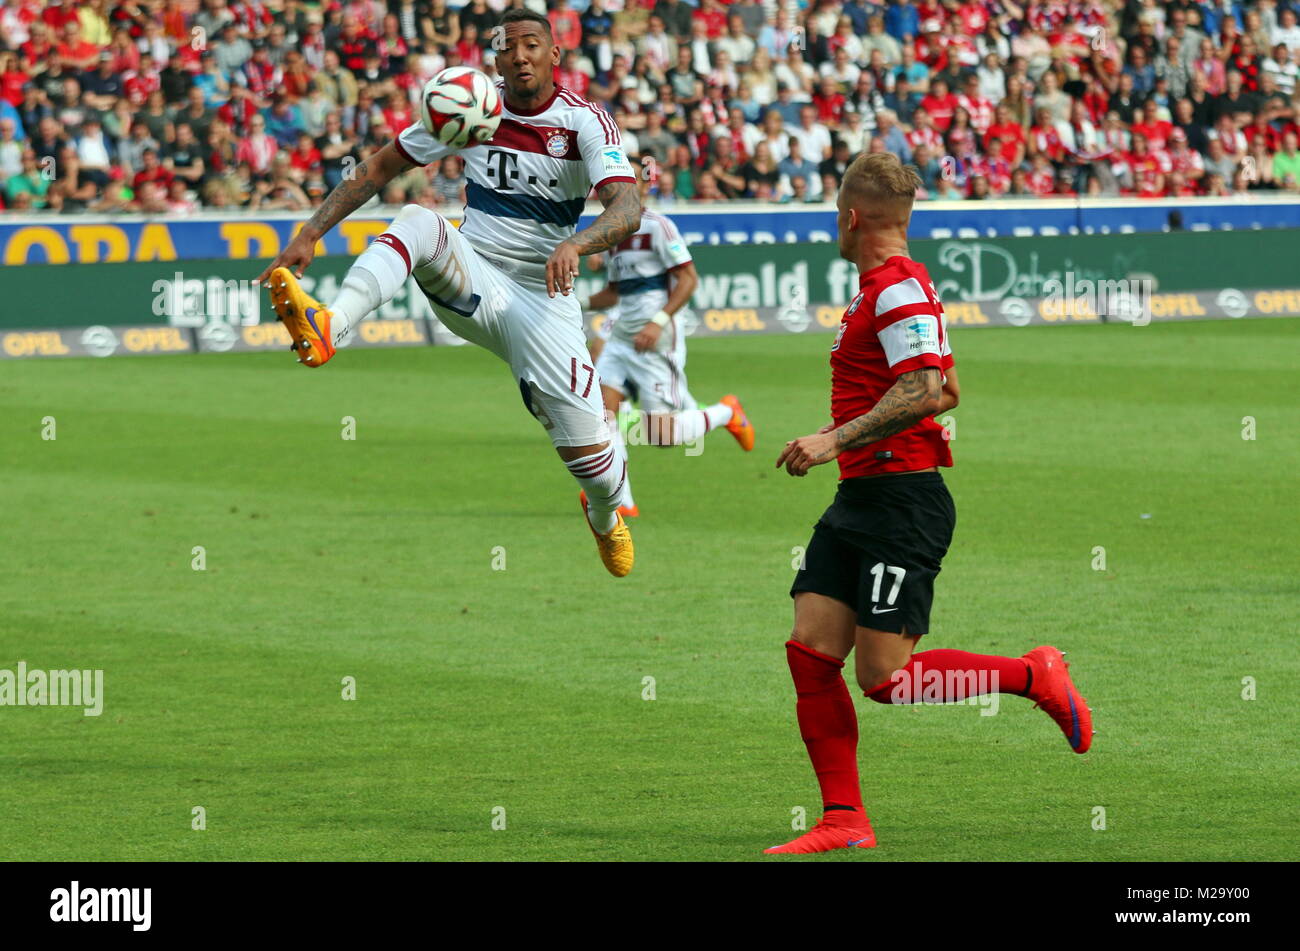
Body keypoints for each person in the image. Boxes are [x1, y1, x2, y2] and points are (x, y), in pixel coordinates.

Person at [764, 152, 1094, 855]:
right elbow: (946, 390)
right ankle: (844, 818)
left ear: (850, 217)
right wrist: (844, 435)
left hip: (901, 502)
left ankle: (1033, 673)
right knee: (810, 652)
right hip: (862, 493)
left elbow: (925, 390)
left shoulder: (896, 289)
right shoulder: (889, 289)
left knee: (885, 678)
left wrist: (833, 439)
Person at [255, 10, 642, 577]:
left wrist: (576, 244)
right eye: (508, 48)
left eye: (532, 45)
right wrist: (310, 233)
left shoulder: (585, 122)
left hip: (545, 300)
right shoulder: (470, 106)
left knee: (598, 470)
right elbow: (377, 168)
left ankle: (603, 517)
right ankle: (331, 325)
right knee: (418, 219)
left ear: (555, 55)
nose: (520, 56)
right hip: (475, 276)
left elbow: (629, 207)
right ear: (496, 60)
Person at [581, 208, 756, 517]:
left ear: (643, 187)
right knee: (603, 416)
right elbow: (614, 294)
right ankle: (623, 502)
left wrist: (658, 322)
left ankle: (727, 412)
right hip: (621, 339)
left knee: (662, 436)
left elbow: (689, 279)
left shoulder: (658, 227)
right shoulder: (611, 230)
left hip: (656, 339)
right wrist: (574, 302)